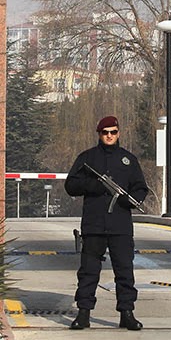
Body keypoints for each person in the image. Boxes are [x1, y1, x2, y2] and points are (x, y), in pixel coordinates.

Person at [65, 116, 148, 331]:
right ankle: (83, 314)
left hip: (120, 225)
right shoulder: (87, 158)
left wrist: (130, 199)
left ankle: (126, 313)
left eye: (113, 132)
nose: (109, 136)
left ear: (118, 133)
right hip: (94, 225)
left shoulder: (128, 160)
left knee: (124, 270)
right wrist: (94, 186)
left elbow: (141, 187)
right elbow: (71, 185)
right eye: (105, 132)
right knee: (89, 271)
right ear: (99, 134)